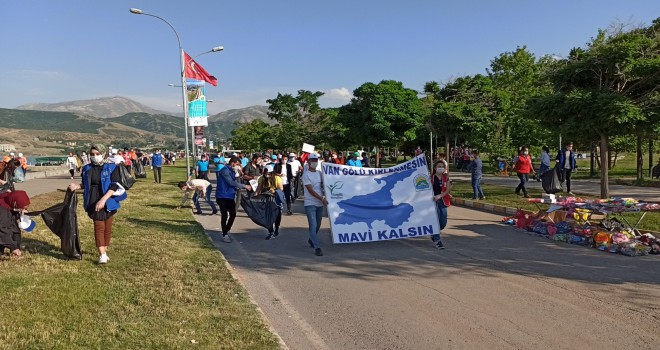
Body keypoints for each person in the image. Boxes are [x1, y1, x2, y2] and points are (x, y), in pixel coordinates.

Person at [69, 144, 128, 264]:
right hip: (93, 199)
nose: (94, 156)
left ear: (103, 154)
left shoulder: (111, 167)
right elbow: (86, 184)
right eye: (92, 154)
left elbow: (115, 185)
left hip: (109, 199)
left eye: (97, 154)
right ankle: (102, 254)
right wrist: (77, 186)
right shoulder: (87, 168)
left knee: (107, 227)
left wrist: (104, 200)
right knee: (99, 226)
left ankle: (104, 250)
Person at [216, 157, 251, 243]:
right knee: (224, 215)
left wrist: (239, 174)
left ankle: (227, 230)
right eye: (238, 165)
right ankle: (224, 235)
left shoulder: (233, 171)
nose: (239, 166)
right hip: (222, 195)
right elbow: (231, 182)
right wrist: (244, 186)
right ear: (233, 163)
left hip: (230, 196)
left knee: (233, 214)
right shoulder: (225, 170)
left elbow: (235, 182)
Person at [302, 153, 327, 256]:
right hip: (310, 203)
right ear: (308, 161)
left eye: (316, 160)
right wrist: (321, 198)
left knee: (318, 225)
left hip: (319, 203)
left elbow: (325, 185)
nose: (314, 162)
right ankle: (317, 247)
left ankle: (311, 239)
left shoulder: (320, 174)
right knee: (313, 225)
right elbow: (310, 190)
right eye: (312, 160)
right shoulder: (306, 175)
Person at [0, 190, 32, 257]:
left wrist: (16, 247)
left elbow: (14, 228)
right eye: (22, 208)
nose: (24, 210)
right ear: (15, 203)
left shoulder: (11, 205)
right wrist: (13, 247)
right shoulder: (2, 211)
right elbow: (2, 231)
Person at [257, 165, 284, 239]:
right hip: (266, 199)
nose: (267, 175)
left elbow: (281, 188)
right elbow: (258, 189)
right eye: (266, 173)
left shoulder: (277, 178)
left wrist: (274, 191)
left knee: (277, 214)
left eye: (269, 173)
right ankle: (270, 231)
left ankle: (277, 228)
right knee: (268, 215)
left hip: (275, 199)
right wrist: (256, 196)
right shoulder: (262, 178)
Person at [430, 160, 451, 249]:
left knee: (442, 223)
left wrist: (440, 196)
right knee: (436, 222)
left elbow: (448, 189)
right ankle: (437, 240)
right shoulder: (431, 178)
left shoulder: (446, 178)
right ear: (435, 168)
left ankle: (433, 233)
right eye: (439, 166)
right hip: (433, 202)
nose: (441, 168)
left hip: (443, 201)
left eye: (442, 166)